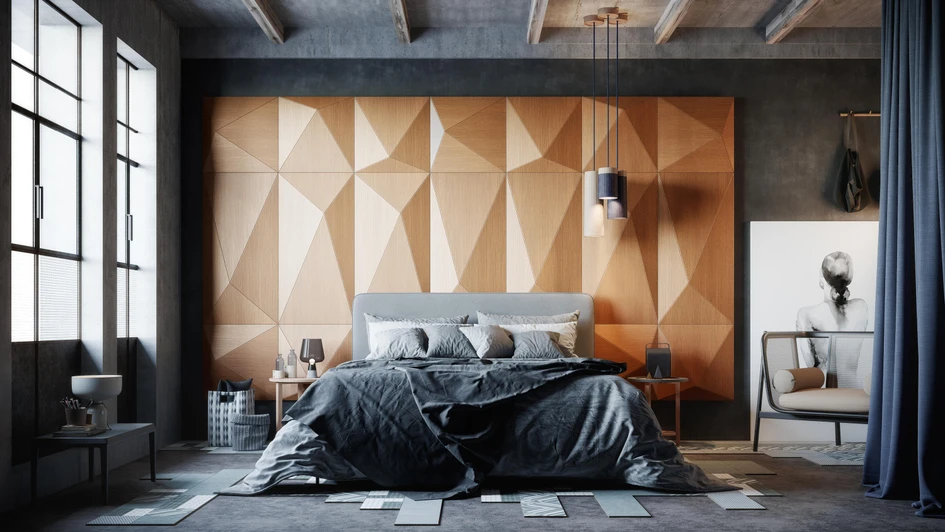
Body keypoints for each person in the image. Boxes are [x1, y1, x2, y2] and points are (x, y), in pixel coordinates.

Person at [796, 252, 869, 386]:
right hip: (852, 387)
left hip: (822, 388)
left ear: (821, 275)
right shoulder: (861, 307)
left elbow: (810, 365)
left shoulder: (806, 314)